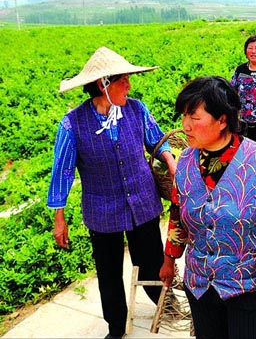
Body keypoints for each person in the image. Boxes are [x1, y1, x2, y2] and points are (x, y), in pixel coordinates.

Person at [159, 76, 256, 339]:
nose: (185, 126)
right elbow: (177, 215)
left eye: (195, 117)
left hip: (247, 285)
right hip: (200, 284)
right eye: (184, 116)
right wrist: (169, 260)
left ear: (223, 120)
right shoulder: (184, 163)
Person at [47, 46, 177, 339]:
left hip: (142, 201)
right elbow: (63, 171)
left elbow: (157, 140)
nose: (129, 86)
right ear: (104, 84)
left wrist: (170, 162)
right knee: (108, 272)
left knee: (152, 260)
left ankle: (164, 305)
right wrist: (59, 217)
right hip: (102, 209)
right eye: (123, 81)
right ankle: (116, 326)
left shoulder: (136, 109)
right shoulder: (72, 124)